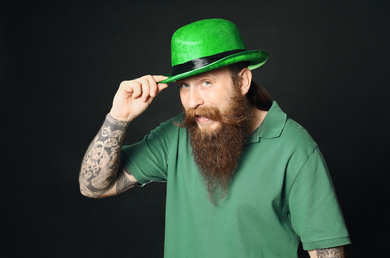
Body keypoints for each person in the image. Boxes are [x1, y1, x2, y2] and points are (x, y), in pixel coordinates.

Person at [79, 19, 351, 257]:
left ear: (243, 81)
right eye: (185, 85)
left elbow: (324, 250)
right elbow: (93, 187)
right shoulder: (176, 135)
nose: (193, 101)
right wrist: (119, 117)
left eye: (206, 82)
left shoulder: (294, 147)